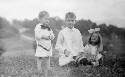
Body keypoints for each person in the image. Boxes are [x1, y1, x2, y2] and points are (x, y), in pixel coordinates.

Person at [34, 11, 55, 76]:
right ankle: (39, 69)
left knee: (48, 57)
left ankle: (47, 68)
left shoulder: (49, 27)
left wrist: (52, 36)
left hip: (48, 46)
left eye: (48, 19)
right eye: (46, 19)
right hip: (41, 45)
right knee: (40, 57)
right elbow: (37, 35)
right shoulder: (38, 27)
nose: (47, 20)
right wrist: (44, 37)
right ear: (40, 18)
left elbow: (52, 35)